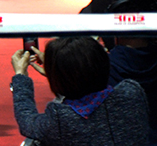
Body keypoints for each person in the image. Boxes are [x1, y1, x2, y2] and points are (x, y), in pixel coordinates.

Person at [10, 37, 149, 146]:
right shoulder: (132, 92)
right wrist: (58, 73)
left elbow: (27, 120)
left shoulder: (60, 119)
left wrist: (21, 76)